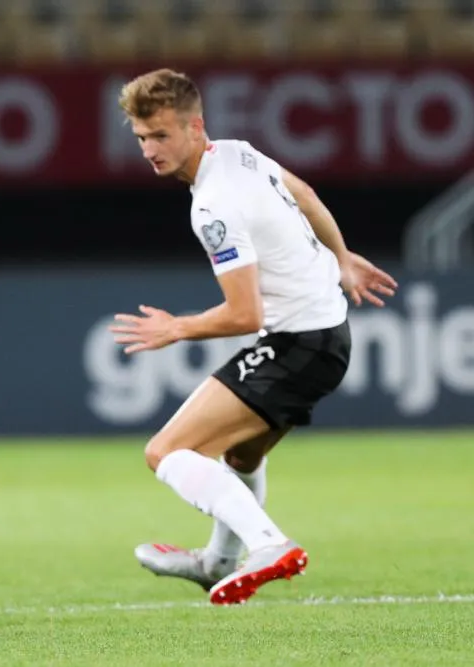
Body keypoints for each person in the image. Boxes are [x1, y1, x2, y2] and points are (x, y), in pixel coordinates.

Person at [108, 69, 397, 605]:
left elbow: (245, 314)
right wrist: (341, 257)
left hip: (297, 346)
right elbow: (305, 194)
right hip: (326, 339)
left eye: (162, 135)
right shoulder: (238, 152)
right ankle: (217, 561)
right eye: (142, 137)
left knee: (165, 451)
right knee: (241, 456)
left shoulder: (211, 206)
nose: (150, 150)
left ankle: (268, 544)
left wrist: (177, 328)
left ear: (196, 127)